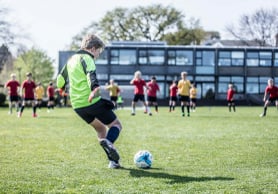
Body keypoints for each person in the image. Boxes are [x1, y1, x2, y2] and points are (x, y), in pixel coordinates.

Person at [57, 34, 122, 168]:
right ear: (93, 48)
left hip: (77, 106)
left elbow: (60, 81)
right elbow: (91, 76)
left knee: (100, 129)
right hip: (91, 101)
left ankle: (113, 162)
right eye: (99, 51)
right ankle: (109, 144)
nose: (98, 55)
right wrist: (94, 89)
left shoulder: (71, 60)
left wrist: (62, 89)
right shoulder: (87, 58)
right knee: (116, 125)